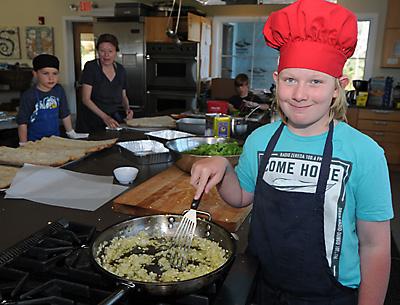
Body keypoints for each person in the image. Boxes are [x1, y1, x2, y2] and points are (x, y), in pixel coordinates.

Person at [190, 1, 393, 304]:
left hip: (331, 295)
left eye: (315, 81)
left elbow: (375, 245)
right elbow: (241, 198)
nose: (299, 94)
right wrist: (224, 168)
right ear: (276, 81)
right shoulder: (261, 140)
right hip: (263, 284)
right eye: (290, 80)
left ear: (338, 87)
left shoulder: (365, 153)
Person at [17, 54, 85, 145]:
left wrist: (71, 132)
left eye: (55, 73)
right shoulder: (29, 95)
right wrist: (23, 144)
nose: (51, 78)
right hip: (34, 142)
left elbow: (64, 113)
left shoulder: (59, 90)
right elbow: (22, 122)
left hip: (55, 140)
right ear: (35, 73)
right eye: (45, 73)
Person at [76, 33, 133, 133]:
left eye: (110, 51)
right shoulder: (91, 67)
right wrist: (105, 117)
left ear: (116, 52)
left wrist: (127, 109)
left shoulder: (121, 70)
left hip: (112, 119)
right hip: (91, 120)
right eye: (102, 51)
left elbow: (123, 96)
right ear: (98, 51)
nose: (106, 55)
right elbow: (86, 99)